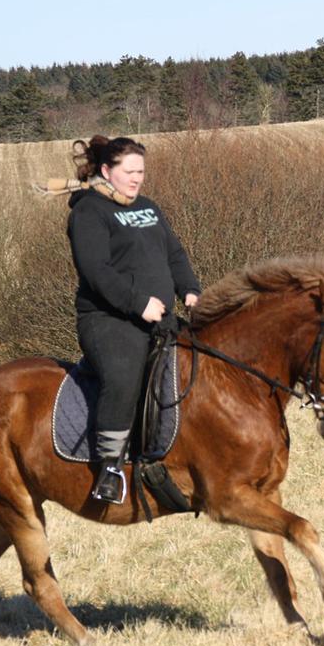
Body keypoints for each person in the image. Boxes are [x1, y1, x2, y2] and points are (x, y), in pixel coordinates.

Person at [66, 135, 201, 504]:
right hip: (108, 320)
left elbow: (173, 252)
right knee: (125, 374)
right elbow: (96, 271)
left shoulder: (149, 208)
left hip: (159, 317)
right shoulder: (88, 211)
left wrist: (189, 288)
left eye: (141, 171)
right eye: (129, 171)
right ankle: (109, 467)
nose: (137, 178)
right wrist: (137, 302)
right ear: (107, 171)